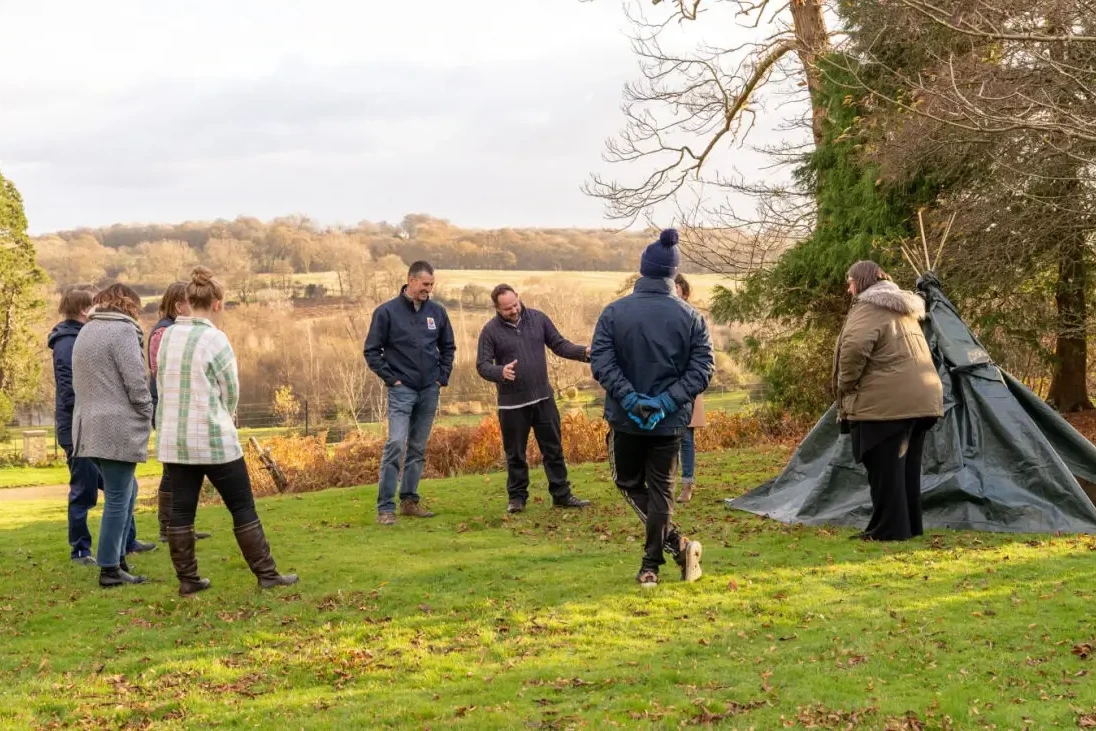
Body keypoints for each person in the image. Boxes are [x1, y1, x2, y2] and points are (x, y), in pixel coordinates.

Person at [157, 266, 298, 596]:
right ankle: (267, 573)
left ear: (189, 300)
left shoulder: (166, 337)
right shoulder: (215, 339)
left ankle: (188, 580)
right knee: (242, 506)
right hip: (213, 438)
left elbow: (161, 382)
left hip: (175, 439)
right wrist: (221, 413)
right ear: (217, 303)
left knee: (181, 510)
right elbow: (230, 390)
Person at [591, 229, 714, 587]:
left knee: (627, 481)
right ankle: (665, 555)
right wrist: (665, 402)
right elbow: (703, 369)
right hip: (669, 421)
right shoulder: (690, 316)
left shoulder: (614, 312)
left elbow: (601, 360)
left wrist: (629, 398)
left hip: (626, 419)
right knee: (660, 490)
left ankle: (658, 559)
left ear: (642, 271)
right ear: (672, 274)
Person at [834, 261, 944, 542]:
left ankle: (888, 530)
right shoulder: (902, 307)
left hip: (886, 404)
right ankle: (909, 526)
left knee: (883, 469)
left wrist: (846, 385)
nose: (848, 289)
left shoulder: (869, 307)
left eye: (850, 282)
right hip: (921, 399)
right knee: (905, 469)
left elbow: (855, 348)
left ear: (860, 281)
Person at [476, 284, 592, 514]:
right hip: (512, 405)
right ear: (497, 308)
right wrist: (500, 372)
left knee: (553, 449)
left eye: (515, 304)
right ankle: (517, 499)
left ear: (519, 298)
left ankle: (561, 494)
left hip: (543, 398)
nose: (514, 310)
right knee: (515, 454)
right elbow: (482, 365)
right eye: (507, 308)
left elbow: (559, 345)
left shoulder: (538, 319)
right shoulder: (490, 331)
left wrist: (583, 352)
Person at [71, 284, 155, 587]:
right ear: (129, 305)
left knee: (127, 490)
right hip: (116, 426)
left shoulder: (87, 330)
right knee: (119, 498)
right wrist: (148, 410)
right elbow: (135, 381)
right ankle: (110, 568)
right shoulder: (122, 332)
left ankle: (117, 558)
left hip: (87, 426)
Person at [364, 261, 456, 525]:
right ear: (411, 280)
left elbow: (448, 347)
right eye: (425, 284)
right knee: (395, 444)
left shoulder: (437, 312)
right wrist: (392, 380)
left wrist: (441, 378)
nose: (429, 289)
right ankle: (385, 507)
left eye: (432, 285)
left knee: (417, 448)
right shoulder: (386, 312)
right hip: (401, 390)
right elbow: (372, 351)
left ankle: (409, 501)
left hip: (429, 388)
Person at [148, 282, 210, 544]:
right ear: (178, 306)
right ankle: (169, 527)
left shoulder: (173, 330)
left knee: (186, 470)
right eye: (189, 303)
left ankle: (182, 526)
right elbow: (162, 371)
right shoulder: (164, 333)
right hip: (170, 407)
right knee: (173, 471)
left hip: (179, 406)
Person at [49, 288, 102, 565]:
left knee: (122, 485)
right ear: (84, 310)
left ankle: (127, 540)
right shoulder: (67, 343)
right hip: (78, 428)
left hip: (91, 424)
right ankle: (80, 549)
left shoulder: (78, 338)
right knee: (84, 490)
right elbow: (69, 388)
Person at [673, 273, 706, 503]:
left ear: (684, 293)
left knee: (686, 437)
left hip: (688, 384)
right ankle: (667, 482)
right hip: (666, 383)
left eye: (677, 289)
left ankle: (687, 485)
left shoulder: (693, 318)